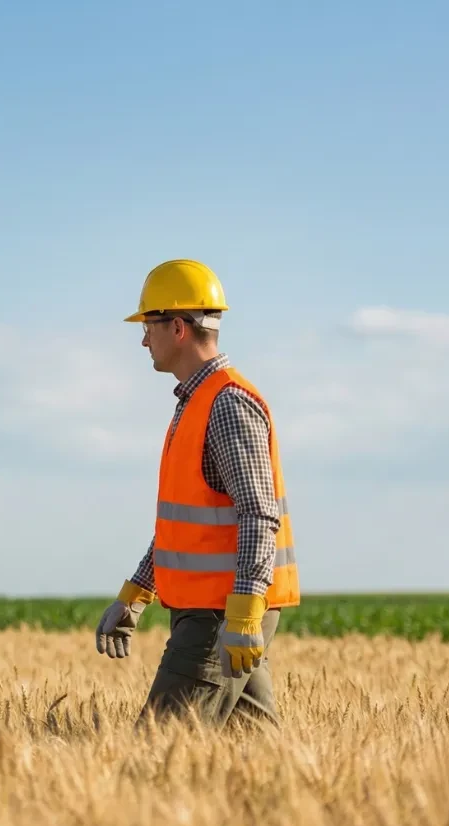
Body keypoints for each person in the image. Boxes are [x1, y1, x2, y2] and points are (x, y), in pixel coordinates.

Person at [95, 258, 300, 728]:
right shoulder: (196, 402)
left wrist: (243, 613)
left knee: (159, 749)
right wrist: (136, 593)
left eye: (148, 325)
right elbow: (187, 526)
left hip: (220, 612)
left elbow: (258, 514)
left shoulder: (227, 403)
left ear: (178, 327)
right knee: (250, 752)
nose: (143, 339)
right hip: (217, 609)